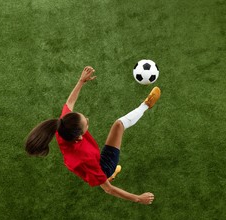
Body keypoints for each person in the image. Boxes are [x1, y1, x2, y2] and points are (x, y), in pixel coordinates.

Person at [25, 66, 161, 205]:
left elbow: (69, 102)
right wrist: (139, 198)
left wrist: (81, 81)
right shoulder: (84, 158)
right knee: (119, 125)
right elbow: (108, 190)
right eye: (86, 125)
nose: (88, 120)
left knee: (104, 155)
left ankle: (105, 175)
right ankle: (145, 105)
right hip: (103, 167)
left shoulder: (63, 124)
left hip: (92, 163)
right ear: (79, 138)